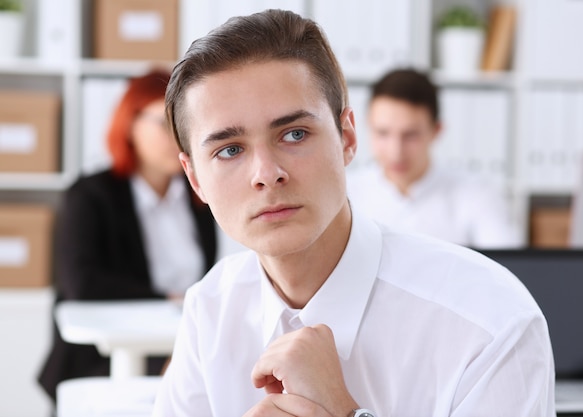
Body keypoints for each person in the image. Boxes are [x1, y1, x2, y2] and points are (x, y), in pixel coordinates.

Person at [152, 9, 555, 416]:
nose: (267, 175)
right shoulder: (210, 309)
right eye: (230, 150)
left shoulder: (489, 321)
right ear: (195, 178)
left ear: (347, 137)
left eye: (294, 134)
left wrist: (344, 413)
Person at [38, 69, 218, 401]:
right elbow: (82, 283)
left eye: (184, 126)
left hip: (179, 346)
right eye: (164, 125)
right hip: (105, 355)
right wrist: (167, 300)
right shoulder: (90, 195)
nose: (176, 138)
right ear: (130, 124)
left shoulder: (199, 198)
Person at [347, 69, 521, 248]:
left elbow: (508, 266)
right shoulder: (346, 195)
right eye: (383, 133)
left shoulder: (477, 194)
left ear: (436, 130)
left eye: (411, 135)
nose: (396, 152)